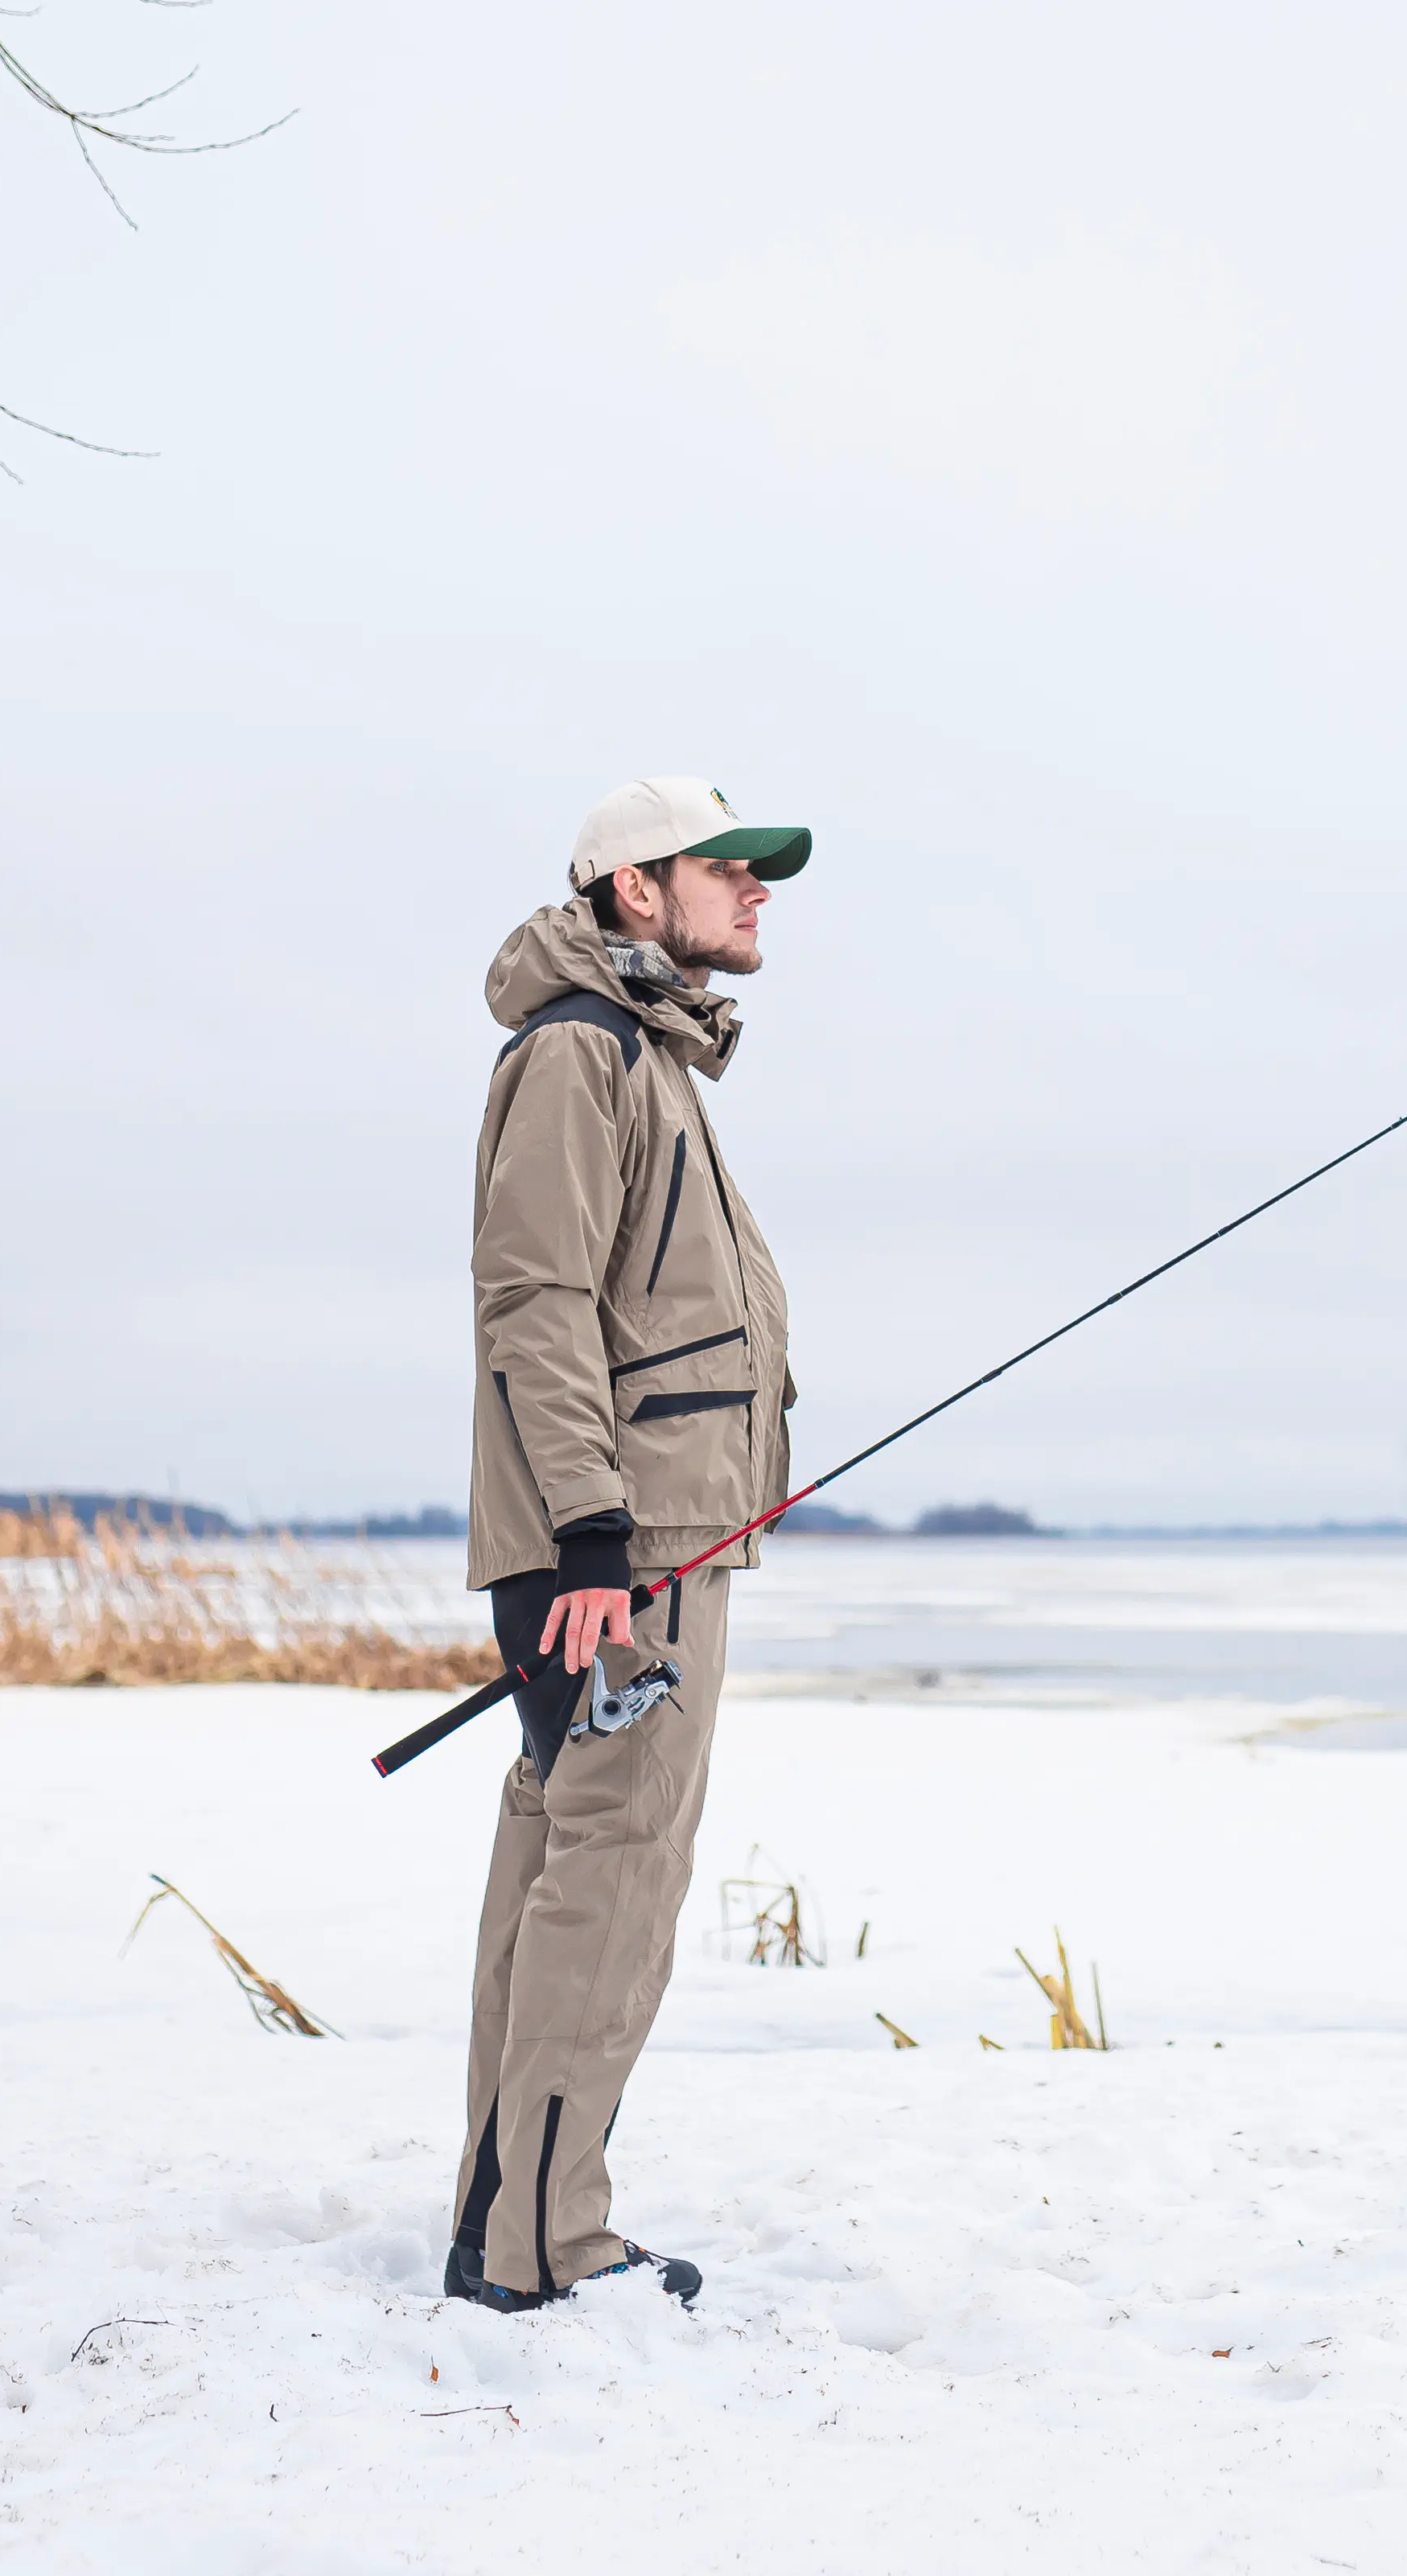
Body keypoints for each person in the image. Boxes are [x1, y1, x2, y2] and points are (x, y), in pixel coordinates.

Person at [444, 774, 811, 2313]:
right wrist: (594, 1541)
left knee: (567, 1861)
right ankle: (545, 2247)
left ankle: (503, 2225)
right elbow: (534, 1303)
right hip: (622, 1553)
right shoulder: (583, 1057)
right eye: (727, 868)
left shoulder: (644, 1062)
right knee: (613, 1878)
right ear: (633, 888)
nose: (758, 891)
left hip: (650, 1534)